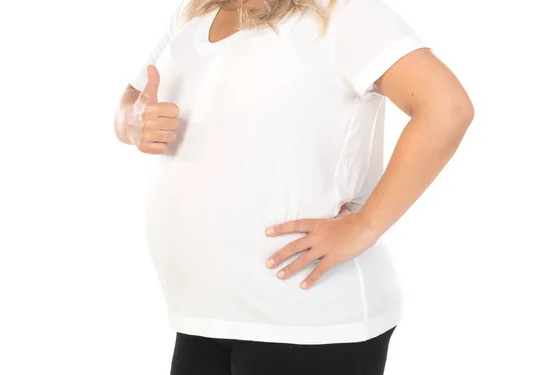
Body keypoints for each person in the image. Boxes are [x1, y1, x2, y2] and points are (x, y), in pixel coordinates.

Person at [114, 0, 474, 373]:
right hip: (202, 315)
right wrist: (133, 122)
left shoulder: (343, 16)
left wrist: (365, 226)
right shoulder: (191, 17)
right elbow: (128, 104)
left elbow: (446, 108)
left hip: (307, 322)